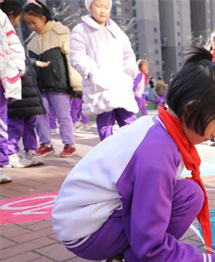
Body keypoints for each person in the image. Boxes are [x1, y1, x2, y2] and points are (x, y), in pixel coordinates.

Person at [52, 45, 215, 262]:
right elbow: (148, 237)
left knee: (189, 194)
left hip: (86, 220)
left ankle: (124, 258)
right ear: (190, 110)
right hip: (86, 234)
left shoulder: (158, 128)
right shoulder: (157, 153)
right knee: (183, 201)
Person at [70, 0, 139, 141]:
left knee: (130, 123)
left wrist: (128, 73)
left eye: (106, 7)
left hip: (120, 85)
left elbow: (129, 54)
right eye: (98, 6)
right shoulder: (81, 30)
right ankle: (109, 157)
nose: (103, 10)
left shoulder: (117, 32)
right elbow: (77, 55)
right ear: (89, 6)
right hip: (100, 86)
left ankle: (133, 155)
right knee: (105, 124)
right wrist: (93, 73)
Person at [24, 0, 80, 157]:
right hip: (39, 85)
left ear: (43, 18)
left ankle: (69, 144)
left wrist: (75, 85)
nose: (31, 27)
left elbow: (71, 59)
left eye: (34, 22)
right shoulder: (31, 41)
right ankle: (45, 143)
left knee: (63, 115)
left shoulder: (61, 33)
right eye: (28, 24)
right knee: (40, 115)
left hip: (59, 84)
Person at [0, 2, 25, 182]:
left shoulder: (1, 18)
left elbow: (14, 44)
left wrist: (16, 68)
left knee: (1, 123)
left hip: (0, 80)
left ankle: (0, 166)